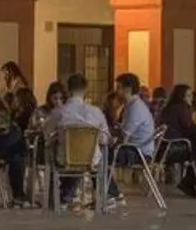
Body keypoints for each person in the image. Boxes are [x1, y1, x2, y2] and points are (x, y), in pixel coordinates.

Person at [46, 73, 111, 208]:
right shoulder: (96, 112)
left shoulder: (59, 112)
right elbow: (104, 139)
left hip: (65, 159)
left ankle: (62, 196)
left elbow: (47, 134)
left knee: (59, 152)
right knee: (101, 151)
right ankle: (104, 193)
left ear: (68, 90)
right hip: (91, 160)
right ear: (85, 90)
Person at [106, 73, 156, 204]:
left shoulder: (135, 108)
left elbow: (124, 137)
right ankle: (109, 192)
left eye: (118, 88)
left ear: (127, 89)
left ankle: (112, 193)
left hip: (138, 153)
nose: (116, 92)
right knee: (98, 155)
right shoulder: (130, 106)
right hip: (135, 148)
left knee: (99, 157)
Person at [159, 84, 196, 197]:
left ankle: (188, 182)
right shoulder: (181, 108)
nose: (191, 98)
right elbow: (189, 127)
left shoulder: (167, 108)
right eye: (189, 95)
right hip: (174, 148)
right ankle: (188, 182)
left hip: (162, 147)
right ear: (182, 97)